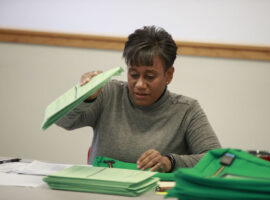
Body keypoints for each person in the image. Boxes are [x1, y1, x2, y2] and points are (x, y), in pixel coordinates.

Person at [56, 25, 221, 173]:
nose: (140, 84)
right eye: (133, 75)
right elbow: (63, 121)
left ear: (168, 75)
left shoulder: (186, 110)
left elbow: (216, 160)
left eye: (150, 76)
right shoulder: (108, 93)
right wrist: (85, 96)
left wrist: (170, 162)